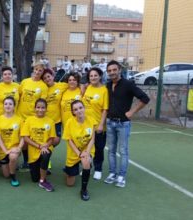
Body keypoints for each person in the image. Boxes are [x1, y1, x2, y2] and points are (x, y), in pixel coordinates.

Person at [104, 60, 149, 188]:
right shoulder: (107, 85)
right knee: (111, 150)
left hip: (123, 123)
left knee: (123, 151)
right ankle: (112, 173)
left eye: (114, 70)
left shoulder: (128, 84)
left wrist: (132, 112)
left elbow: (145, 98)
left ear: (119, 70)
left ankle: (121, 176)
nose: (112, 72)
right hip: (110, 122)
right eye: (109, 71)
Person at [62, 100, 97, 201]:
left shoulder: (91, 120)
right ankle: (68, 170)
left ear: (84, 108)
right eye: (75, 109)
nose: (79, 110)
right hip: (74, 152)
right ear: (73, 112)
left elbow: (92, 139)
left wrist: (87, 152)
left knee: (86, 162)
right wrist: (79, 153)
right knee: (70, 184)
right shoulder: (69, 122)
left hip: (87, 150)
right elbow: (69, 140)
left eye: (80, 107)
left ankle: (84, 190)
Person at [21, 98, 56, 192]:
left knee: (45, 154)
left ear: (46, 109)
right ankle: (42, 170)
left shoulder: (50, 121)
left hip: (46, 148)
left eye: (43, 108)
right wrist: (39, 146)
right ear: (35, 108)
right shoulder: (29, 120)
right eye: (38, 107)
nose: (40, 110)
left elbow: (51, 139)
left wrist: (45, 146)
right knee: (34, 179)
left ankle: (42, 180)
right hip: (34, 150)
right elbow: (25, 138)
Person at [17, 63, 48, 169]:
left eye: (40, 70)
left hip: (33, 118)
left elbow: (42, 102)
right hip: (21, 116)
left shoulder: (43, 86)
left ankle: (41, 161)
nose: (37, 72)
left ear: (42, 73)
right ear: (33, 69)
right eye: (36, 69)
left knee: (35, 139)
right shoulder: (25, 82)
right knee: (24, 141)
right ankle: (26, 161)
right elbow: (19, 96)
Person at [82, 67, 108, 180]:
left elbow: (105, 109)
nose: (93, 77)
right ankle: (87, 166)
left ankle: (98, 169)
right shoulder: (88, 88)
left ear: (100, 76)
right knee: (87, 147)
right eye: (91, 76)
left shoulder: (104, 90)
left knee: (98, 148)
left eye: (95, 75)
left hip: (98, 124)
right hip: (87, 125)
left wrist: (101, 124)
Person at [42, 68, 68, 174]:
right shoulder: (42, 88)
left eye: (48, 76)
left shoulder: (61, 86)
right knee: (44, 141)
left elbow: (74, 85)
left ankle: (46, 156)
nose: (47, 79)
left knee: (56, 140)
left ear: (53, 76)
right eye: (45, 78)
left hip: (57, 121)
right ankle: (45, 162)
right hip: (44, 121)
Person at [0, 97, 24, 186]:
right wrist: (6, 151)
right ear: (3, 106)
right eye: (6, 104)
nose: (8, 106)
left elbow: (22, 137)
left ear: (14, 106)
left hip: (14, 149)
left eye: (10, 104)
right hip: (3, 151)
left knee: (13, 157)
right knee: (5, 175)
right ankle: (11, 165)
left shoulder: (19, 120)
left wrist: (19, 148)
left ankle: (13, 175)